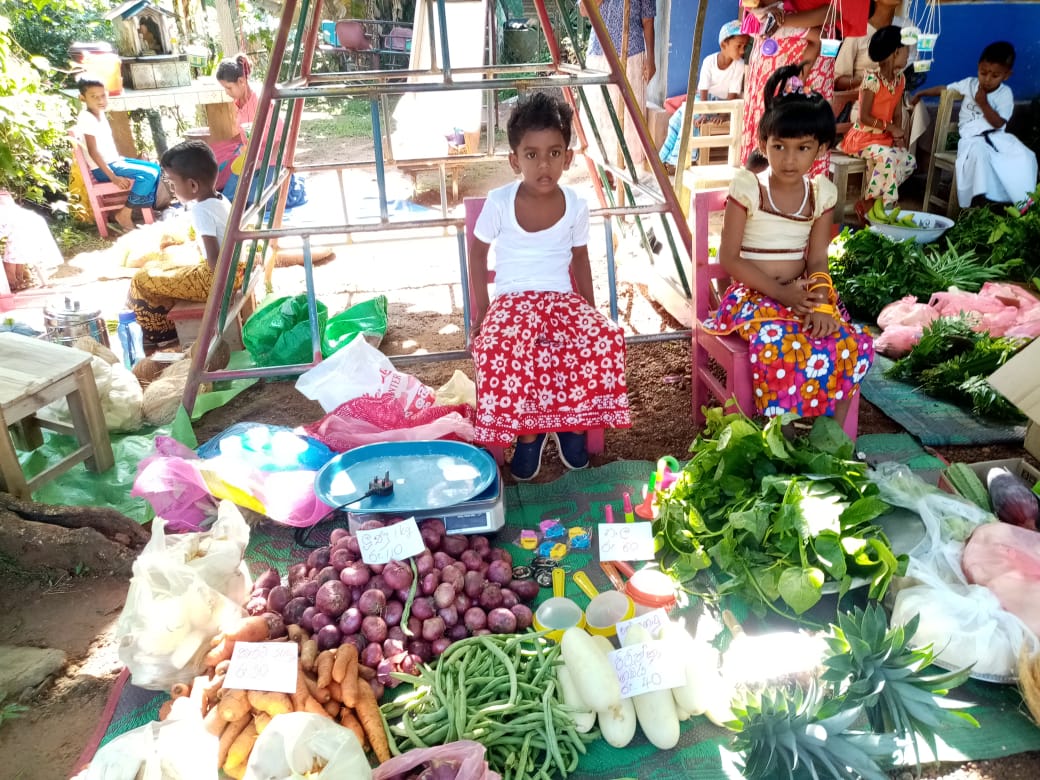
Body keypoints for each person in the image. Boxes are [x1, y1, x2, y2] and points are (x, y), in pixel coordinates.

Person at [468, 93, 631, 480]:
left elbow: (580, 258)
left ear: (568, 157)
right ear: (514, 159)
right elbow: (476, 255)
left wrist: (590, 309)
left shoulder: (576, 204)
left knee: (602, 340)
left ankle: (572, 427)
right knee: (502, 348)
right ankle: (529, 435)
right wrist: (483, 311)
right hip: (512, 301)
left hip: (561, 300)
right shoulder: (499, 202)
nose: (544, 164)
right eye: (532, 154)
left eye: (555, 153)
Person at [705, 64, 874, 426]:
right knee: (779, 342)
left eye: (802, 148)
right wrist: (782, 295)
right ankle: (780, 431)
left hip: (801, 292)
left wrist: (821, 302)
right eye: (778, 146)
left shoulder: (821, 194)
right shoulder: (749, 187)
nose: (789, 158)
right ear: (763, 143)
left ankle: (831, 435)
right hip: (751, 295)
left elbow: (816, 257)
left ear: (822, 148)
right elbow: (730, 259)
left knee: (848, 341)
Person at [126, 141, 232, 345]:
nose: (172, 190)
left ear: (193, 185)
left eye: (173, 184)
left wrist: (190, 270)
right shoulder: (220, 198)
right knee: (166, 266)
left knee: (142, 278)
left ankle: (160, 336)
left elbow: (214, 262)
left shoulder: (201, 210)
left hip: (216, 280)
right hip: (232, 271)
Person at [911, 41, 1038, 208]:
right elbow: (945, 89)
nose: (987, 79)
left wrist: (983, 103)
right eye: (983, 73)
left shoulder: (1005, 94)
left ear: (1006, 75)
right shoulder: (970, 84)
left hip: (997, 137)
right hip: (972, 139)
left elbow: (998, 123)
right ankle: (980, 201)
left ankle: (1017, 201)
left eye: (995, 76)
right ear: (978, 67)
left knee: (1025, 156)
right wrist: (922, 93)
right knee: (980, 155)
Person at [739, 3, 835, 177]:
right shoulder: (766, 21)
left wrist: (780, 20)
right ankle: (755, 191)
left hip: (809, 65)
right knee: (768, 131)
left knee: (802, 131)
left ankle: (803, 197)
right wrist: (766, 16)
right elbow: (750, 7)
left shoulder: (778, 23)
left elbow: (832, 11)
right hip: (773, 59)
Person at [212, 54, 305, 208]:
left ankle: (292, 185)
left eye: (229, 87)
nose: (227, 92)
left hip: (274, 162)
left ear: (241, 81)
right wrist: (246, 153)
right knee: (230, 199)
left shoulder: (264, 103)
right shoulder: (239, 103)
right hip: (253, 162)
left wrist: (263, 162)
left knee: (260, 202)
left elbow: (283, 142)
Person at [841, 26, 915, 216]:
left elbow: (897, 113)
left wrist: (898, 137)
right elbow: (863, 117)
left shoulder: (900, 80)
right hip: (862, 138)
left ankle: (870, 203)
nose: (909, 54)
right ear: (896, 52)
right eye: (906, 49)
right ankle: (885, 209)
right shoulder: (872, 79)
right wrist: (890, 127)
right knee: (887, 159)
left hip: (883, 139)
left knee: (908, 160)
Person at [74, 77, 163, 233]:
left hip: (115, 162)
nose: (100, 100)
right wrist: (113, 177)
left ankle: (144, 205)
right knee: (148, 175)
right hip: (104, 169)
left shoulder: (99, 114)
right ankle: (124, 213)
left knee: (155, 168)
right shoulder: (86, 118)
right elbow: (93, 152)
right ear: (82, 98)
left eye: (103, 95)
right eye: (94, 96)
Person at [658, 21, 749, 171]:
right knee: (677, 119)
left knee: (692, 121)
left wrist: (724, 115)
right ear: (724, 45)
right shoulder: (709, 62)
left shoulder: (739, 66)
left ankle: (677, 162)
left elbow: (732, 96)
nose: (742, 51)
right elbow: (703, 92)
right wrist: (703, 113)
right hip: (703, 101)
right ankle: (664, 158)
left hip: (722, 104)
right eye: (738, 46)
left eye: (744, 47)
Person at [580, 0, 656, 169]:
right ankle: (602, 165)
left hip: (631, 54)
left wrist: (651, 58)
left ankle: (625, 168)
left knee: (628, 113)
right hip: (599, 51)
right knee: (600, 110)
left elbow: (648, 20)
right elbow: (584, 10)